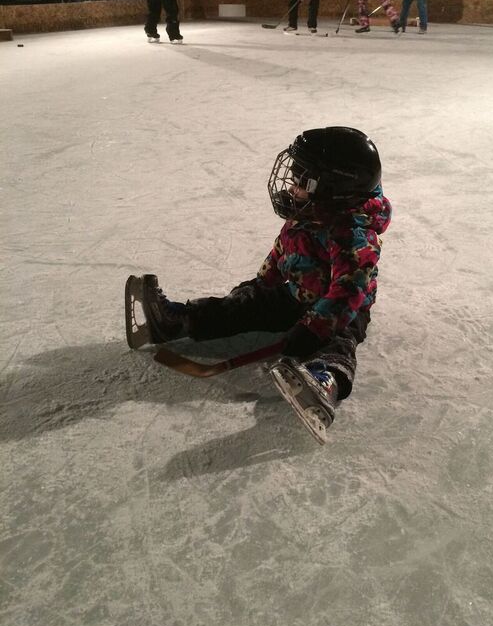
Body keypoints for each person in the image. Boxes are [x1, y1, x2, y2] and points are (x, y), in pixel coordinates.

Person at [125, 127, 391, 443]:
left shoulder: (354, 236)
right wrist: (261, 285)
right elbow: (284, 249)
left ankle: (325, 379)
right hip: (298, 293)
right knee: (244, 305)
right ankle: (173, 320)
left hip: (342, 308)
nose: (291, 187)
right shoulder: (311, 212)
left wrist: (313, 330)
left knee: (338, 341)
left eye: (301, 182)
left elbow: (346, 293)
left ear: (335, 189)